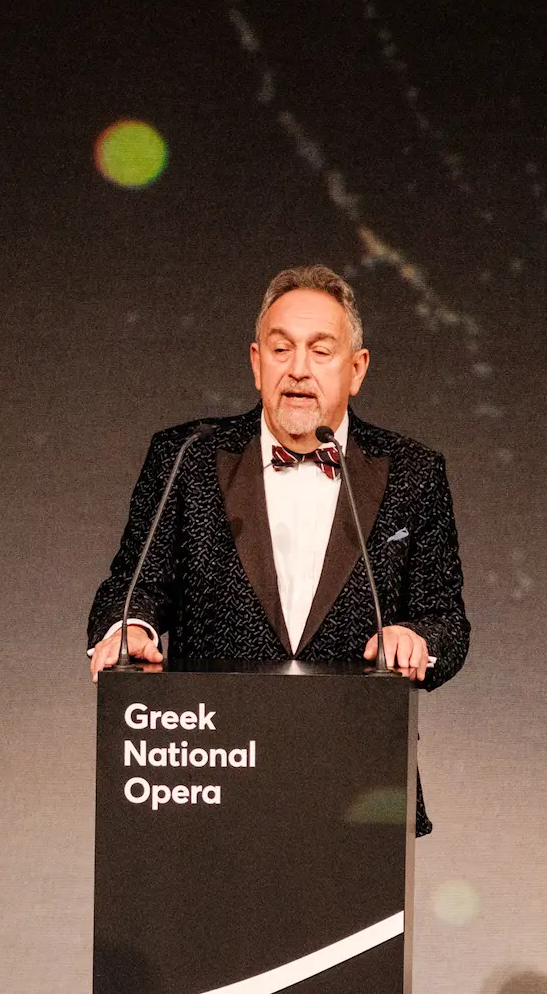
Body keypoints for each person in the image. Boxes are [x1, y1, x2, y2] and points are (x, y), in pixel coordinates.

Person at [86, 265, 469, 828]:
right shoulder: (186, 458)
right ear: (255, 362)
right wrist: (130, 629)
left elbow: (447, 623)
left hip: (357, 792)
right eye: (280, 348)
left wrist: (417, 639)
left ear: (356, 369)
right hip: (205, 783)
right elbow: (133, 587)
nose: (297, 370)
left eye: (320, 350)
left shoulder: (413, 473)